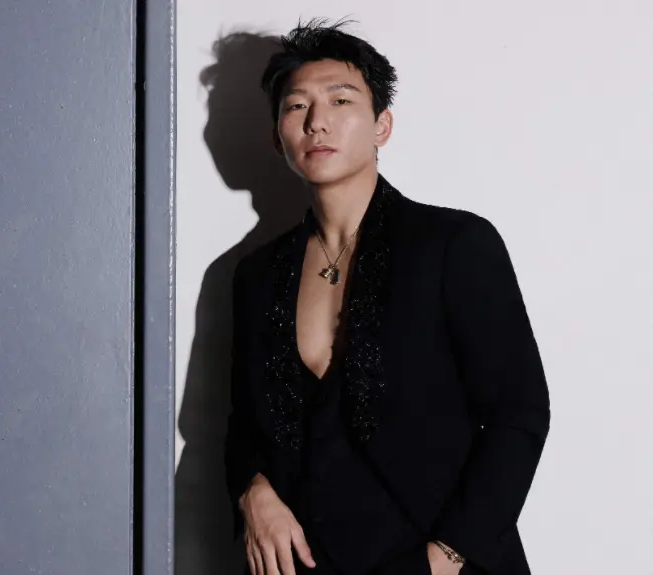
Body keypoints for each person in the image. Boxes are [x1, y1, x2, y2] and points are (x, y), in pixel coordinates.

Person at [224, 18, 550, 575]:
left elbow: (518, 416)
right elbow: (242, 426)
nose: (317, 121)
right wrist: (253, 491)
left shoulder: (455, 244)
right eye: (296, 106)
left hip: (440, 561)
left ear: (382, 125)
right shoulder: (256, 276)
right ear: (278, 137)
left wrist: (446, 557)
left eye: (340, 100)